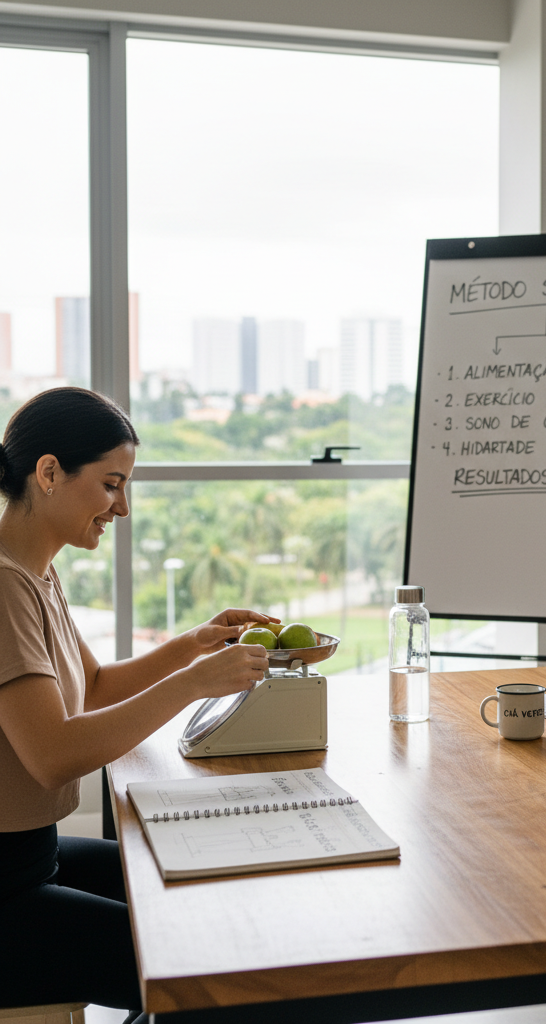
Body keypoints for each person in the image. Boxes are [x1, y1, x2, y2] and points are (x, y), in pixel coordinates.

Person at [0, 388, 272, 1022]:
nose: (123, 507)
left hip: (36, 856)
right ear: (48, 473)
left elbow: (90, 688)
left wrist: (190, 647)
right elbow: (53, 755)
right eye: (111, 484)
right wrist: (195, 683)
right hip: (8, 889)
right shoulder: (5, 586)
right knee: (203, 968)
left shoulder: (33, 571)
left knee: (189, 885)